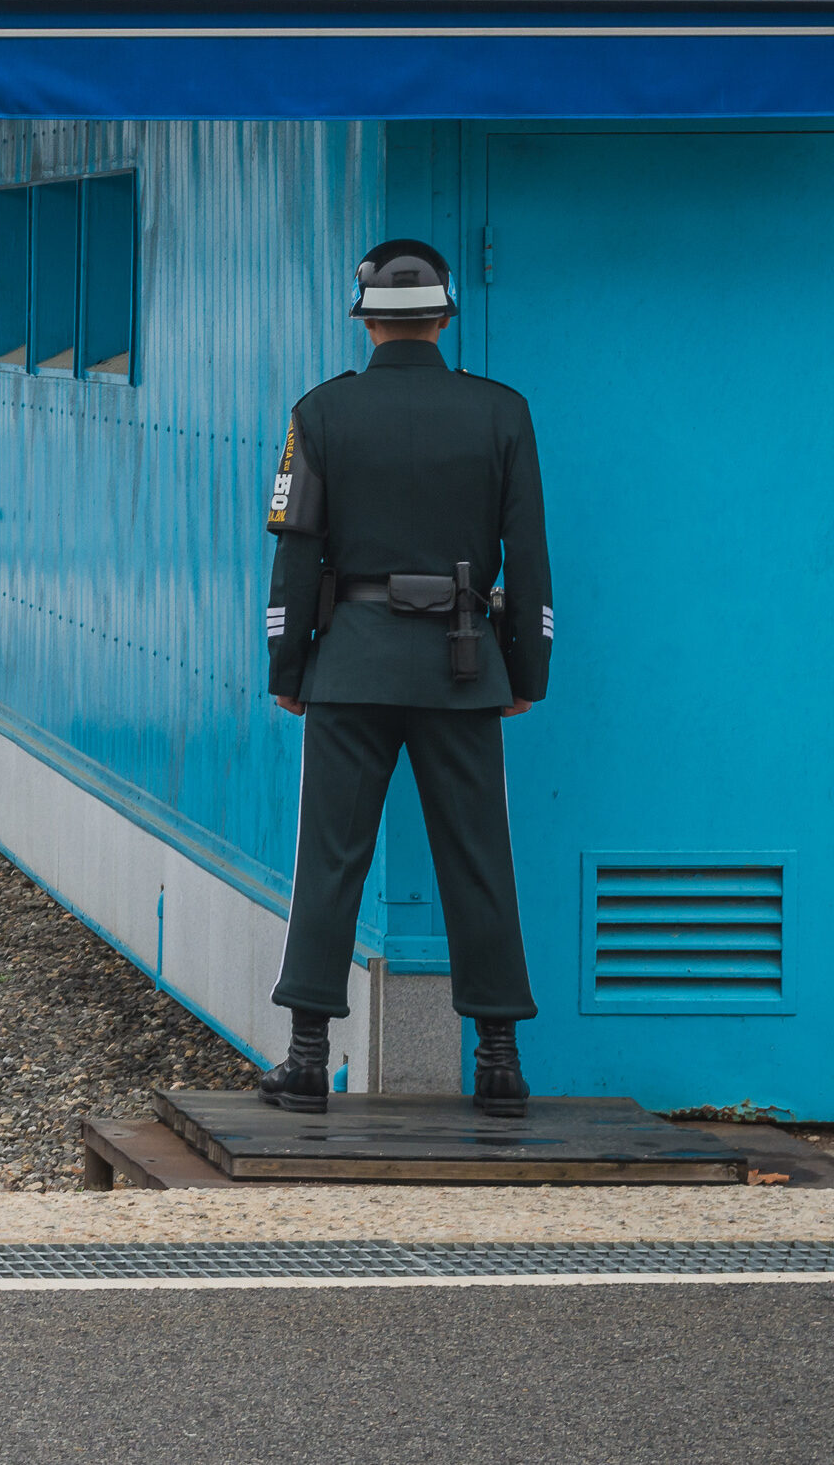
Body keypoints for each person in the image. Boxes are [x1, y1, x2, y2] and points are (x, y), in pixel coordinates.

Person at [260, 238, 553, 1114]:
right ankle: (498, 1059)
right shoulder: (503, 414)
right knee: (478, 858)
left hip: (350, 663)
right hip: (466, 664)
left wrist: (289, 662)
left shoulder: (318, 415)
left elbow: (295, 555)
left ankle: (307, 1057)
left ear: (366, 322)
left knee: (331, 859)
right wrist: (525, 667)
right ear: (443, 315)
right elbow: (530, 557)